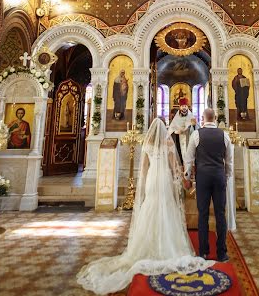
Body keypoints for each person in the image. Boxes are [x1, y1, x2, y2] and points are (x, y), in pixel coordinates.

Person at [77, 118, 212, 293]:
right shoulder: (167, 141)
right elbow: (174, 167)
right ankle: (166, 244)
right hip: (163, 179)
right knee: (166, 208)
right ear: (164, 129)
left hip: (151, 180)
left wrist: (143, 186)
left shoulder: (148, 143)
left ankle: (146, 245)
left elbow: (144, 169)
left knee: (150, 207)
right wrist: (183, 181)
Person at [184, 108, 233, 262]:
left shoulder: (196, 134)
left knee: (203, 214)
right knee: (220, 214)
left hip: (203, 177)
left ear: (203, 119)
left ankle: (203, 251)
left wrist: (188, 176)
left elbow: (189, 158)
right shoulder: (224, 135)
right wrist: (226, 176)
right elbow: (229, 160)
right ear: (215, 118)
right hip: (219, 177)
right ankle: (222, 253)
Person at [168, 97, 198, 164]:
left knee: (189, 154)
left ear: (187, 107)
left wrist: (193, 125)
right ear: (179, 107)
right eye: (182, 106)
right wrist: (176, 131)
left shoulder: (191, 116)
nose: (184, 108)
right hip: (179, 138)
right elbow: (172, 128)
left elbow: (197, 129)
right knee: (180, 154)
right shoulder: (176, 117)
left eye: (185, 106)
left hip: (189, 138)